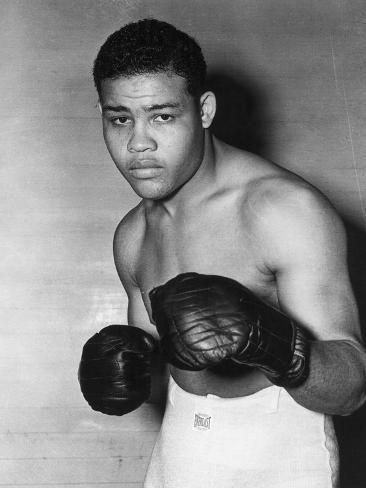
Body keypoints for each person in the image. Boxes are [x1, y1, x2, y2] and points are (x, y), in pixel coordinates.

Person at [88, 18, 366, 487]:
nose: (138, 143)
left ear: (204, 111)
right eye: (120, 118)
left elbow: (351, 389)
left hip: (280, 450)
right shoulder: (133, 235)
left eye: (162, 115)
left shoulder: (282, 211)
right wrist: (130, 369)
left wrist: (269, 340)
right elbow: (163, 369)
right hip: (181, 441)